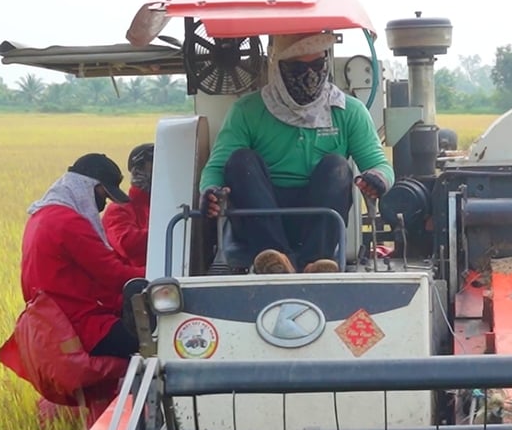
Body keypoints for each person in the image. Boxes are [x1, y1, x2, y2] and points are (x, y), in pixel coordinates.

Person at [198, 31, 394, 274]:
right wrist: (210, 192)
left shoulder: (349, 111)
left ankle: (315, 261)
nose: (310, 75)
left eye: (317, 65)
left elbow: (379, 164)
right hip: (260, 216)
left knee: (337, 166)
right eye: (298, 68)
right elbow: (217, 167)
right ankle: (273, 258)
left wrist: (377, 179)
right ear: (276, 68)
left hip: (317, 218)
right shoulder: (247, 111)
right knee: (240, 161)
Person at [20, 153, 144, 359]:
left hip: (50, 321)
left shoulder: (41, 215)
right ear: (89, 187)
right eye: (104, 195)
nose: (103, 204)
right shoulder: (69, 223)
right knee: (153, 341)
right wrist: (157, 275)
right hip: (77, 324)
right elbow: (113, 274)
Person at [103, 143, 153, 269]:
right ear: (137, 171)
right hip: (131, 279)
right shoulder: (118, 209)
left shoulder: (164, 207)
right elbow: (127, 244)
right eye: (154, 167)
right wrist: (166, 234)